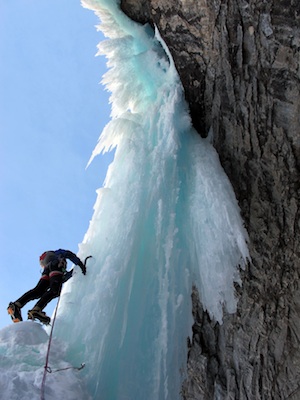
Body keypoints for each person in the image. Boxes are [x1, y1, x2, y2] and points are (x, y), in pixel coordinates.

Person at [7, 249, 87, 323]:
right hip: (56, 266)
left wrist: (73, 272)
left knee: (38, 291)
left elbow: (59, 279)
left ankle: (17, 305)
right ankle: (36, 310)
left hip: (47, 271)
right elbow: (68, 254)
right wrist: (80, 264)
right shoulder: (58, 254)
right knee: (54, 291)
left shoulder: (48, 263)